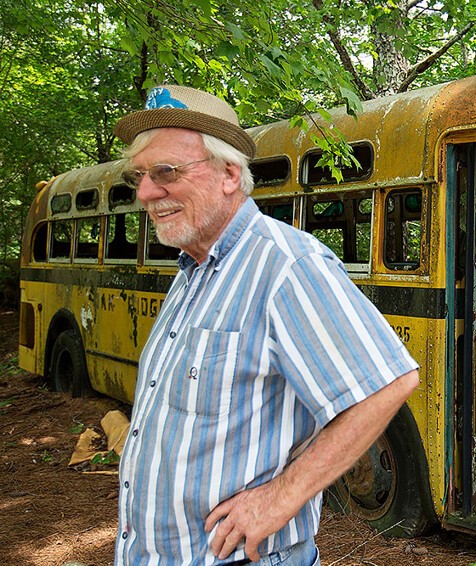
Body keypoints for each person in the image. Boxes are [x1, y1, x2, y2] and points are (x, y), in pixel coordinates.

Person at [112, 85, 420, 565]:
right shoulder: (193, 272)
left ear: (229, 174)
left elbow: (388, 383)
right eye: (141, 176)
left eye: (166, 172)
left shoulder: (285, 265)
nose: (147, 193)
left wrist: (278, 500)